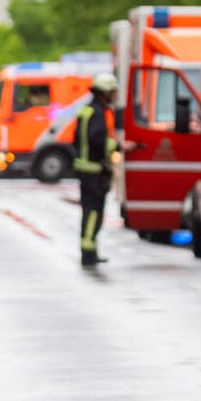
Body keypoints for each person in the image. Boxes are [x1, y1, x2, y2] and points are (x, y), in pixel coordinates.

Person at [73, 73, 122, 267]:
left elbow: (76, 140)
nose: (114, 96)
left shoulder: (85, 111)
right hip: (95, 171)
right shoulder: (99, 113)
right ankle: (89, 253)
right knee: (94, 212)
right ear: (105, 93)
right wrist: (118, 147)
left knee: (88, 210)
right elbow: (98, 140)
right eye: (113, 92)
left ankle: (90, 251)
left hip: (84, 169)